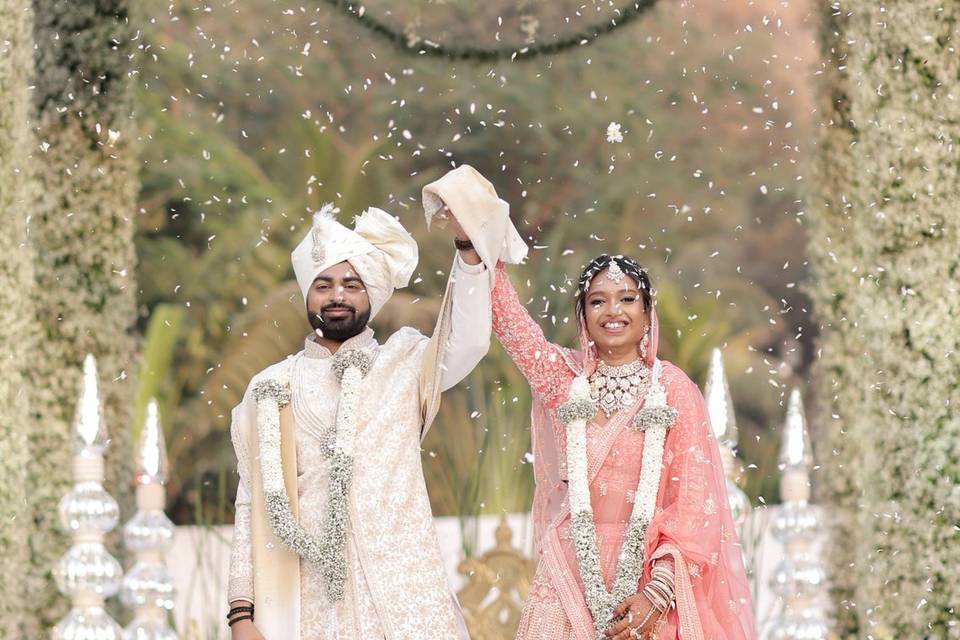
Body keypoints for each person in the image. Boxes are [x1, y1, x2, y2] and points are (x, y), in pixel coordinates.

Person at [433, 169, 755, 640]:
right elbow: (509, 321)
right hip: (567, 574)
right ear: (583, 317)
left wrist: (657, 593)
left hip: (648, 579)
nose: (614, 311)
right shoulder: (564, 381)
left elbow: (694, 505)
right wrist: (471, 242)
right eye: (598, 301)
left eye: (628, 299)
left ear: (648, 314)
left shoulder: (672, 389)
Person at [226, 203, 497, 639]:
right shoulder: (271, 386)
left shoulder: (405, 362)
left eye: (352, 284)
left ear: (371, 293)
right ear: (307, 294)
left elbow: (468, 339)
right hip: (314, 602)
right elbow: (250, 502)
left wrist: (466, 248)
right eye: (324, 284)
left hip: (409, 598)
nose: (337, 296)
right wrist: (241, 614)